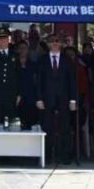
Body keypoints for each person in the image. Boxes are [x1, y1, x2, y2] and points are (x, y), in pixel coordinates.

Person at [36, 34, 75, 165]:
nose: (54, 43)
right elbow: (38, 81)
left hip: (64, 98)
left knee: (65, 127)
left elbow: (72, 81)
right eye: (52, 41)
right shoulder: (42, 60)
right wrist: (39, 99)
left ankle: (64, 156)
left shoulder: (67, 60)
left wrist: (73, 100)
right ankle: (47, 156)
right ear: (48, 44)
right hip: (47, 99)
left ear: (61, 44)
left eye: (57, 41)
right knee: (47, 127)